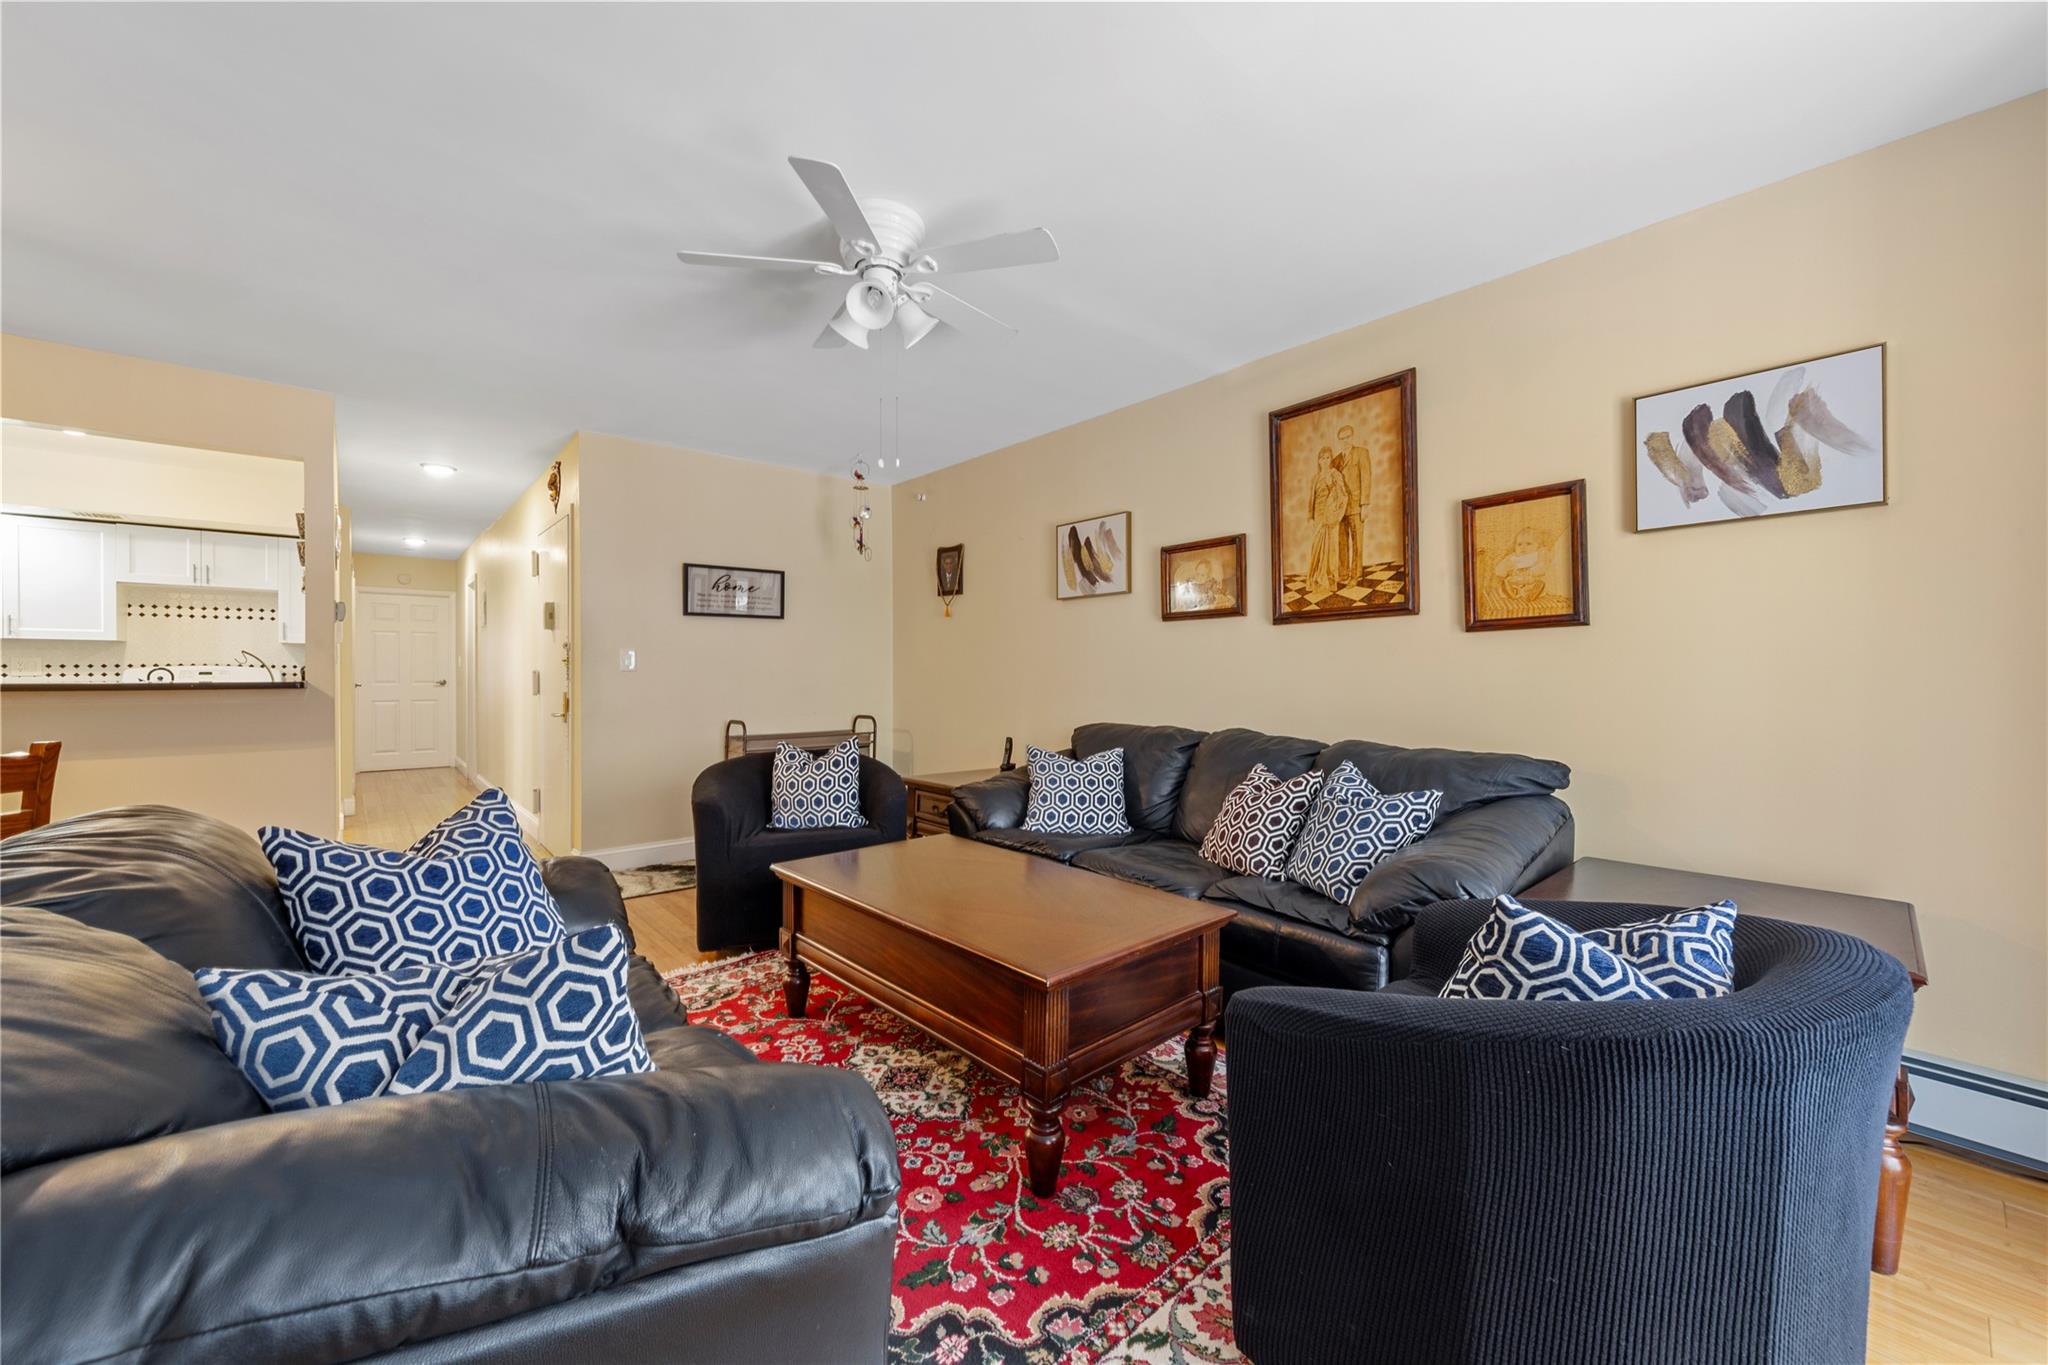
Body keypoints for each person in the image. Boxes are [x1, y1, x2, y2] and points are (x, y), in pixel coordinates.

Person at [1306, 448, 1346, 595]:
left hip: (1331, 516)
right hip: (1318, 516)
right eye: (1322, 458)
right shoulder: (1315, 478)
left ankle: (1331, 580)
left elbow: (1342, 495)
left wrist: (1330, 485)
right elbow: (1312, 498)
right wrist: (1310, 516)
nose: (1324, 461)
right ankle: (1315, 578)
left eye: (1327, 458)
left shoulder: (1336, 475)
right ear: (1318, 460)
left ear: (1330, 459)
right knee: (1316, 547)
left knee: (1331, 548)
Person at [1335, 424, 1372, 583]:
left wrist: (1365, 505)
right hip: (1340, 508)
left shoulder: (1361, 453)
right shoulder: (1336, 460)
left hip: (1356, 506)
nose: (1345, 441)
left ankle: (1356, 575)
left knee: (1357, 541)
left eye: (1348, 437)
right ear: (1339, 440)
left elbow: (1366, 478)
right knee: (1341, 542)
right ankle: (1343, 574)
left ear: (1353, 436)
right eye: (1342, 439)